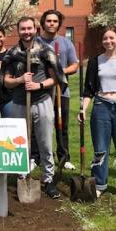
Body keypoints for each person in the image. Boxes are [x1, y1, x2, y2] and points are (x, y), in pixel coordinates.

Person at [2, 17, 66, 199]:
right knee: (20, 143)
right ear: (18, 30)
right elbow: (6, 82)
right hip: (19, 104)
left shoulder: (46, 51)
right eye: (23, 29)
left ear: (35, 29)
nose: (27, 32)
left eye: (29, 28)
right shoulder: (12, 54)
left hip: (42, 101)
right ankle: (22, 176)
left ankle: (48, 180)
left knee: (45, 142)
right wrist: (20, 80)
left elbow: (56, 78)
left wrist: (38, 85)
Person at [79, 26, 116, 200]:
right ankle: (99, 183)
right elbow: (88, 90)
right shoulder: (94, 62)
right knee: (100, 148)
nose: (108, 41)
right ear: (102, 41)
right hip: (101, 106)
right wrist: (83, 109)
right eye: (105, 38)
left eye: (112, 38)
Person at [38, 9, 79, 170]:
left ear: (59, 24)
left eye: (55, 21)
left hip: (62, 92)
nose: (52, 24)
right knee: (40, 125)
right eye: (49, 21)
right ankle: (37, 156)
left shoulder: (66, 43)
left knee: (61, 125)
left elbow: (74, 65)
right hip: (40, 92)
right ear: (43, 23)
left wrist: (60, 72)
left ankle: (64, 157)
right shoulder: (37, 42)